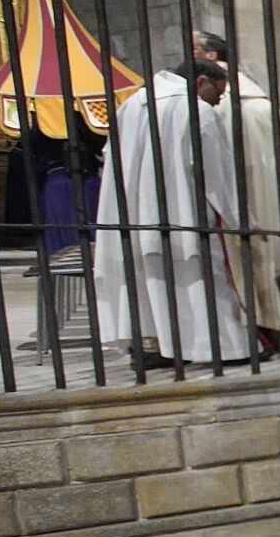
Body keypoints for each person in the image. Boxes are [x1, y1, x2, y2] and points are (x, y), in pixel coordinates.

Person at [94, 61, 250, 373]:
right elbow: (217, 175)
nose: (217, 101)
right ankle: (224, 347)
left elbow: (110, 159)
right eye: (216, 93)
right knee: (198, 276)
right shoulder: (196, 111)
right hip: (182, 214)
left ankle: (161, 346)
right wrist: (240, 220)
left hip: (135, 216)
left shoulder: (131, 105)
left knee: (151, 281)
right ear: (201, 80)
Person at [195, 30, 280, 347]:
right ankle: (277, 331)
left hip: (227, 206)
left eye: (194, 49)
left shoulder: (210, 107)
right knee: (269, 267)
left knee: (239, 267)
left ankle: (248, 337)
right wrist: (274, 188)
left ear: (211, 57)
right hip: (271, 204)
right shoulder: (264, 104)